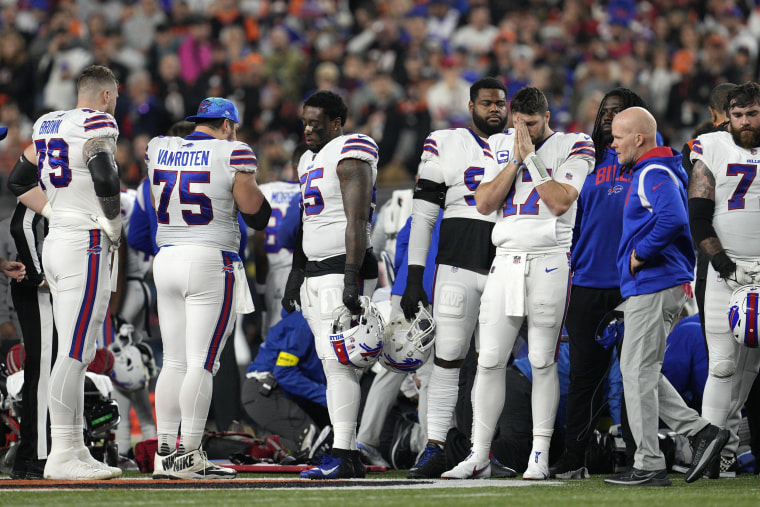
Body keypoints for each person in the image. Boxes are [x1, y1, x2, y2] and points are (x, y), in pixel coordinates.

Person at [444, 86, 594, 480]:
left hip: (548, 262)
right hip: (505, 261)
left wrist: (532, 160)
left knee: (543, 360)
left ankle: (539, 455)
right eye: (518, 124)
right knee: (489, 360)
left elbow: (560, 201)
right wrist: (514, 161)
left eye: (530, 125)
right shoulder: (500, 144)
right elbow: (484, 202)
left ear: (547, 118)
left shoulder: (573, 144)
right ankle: (478, 454)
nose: (522, 132)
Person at [8, 64, 123, 481]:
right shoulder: (97, 122)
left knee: (78, 350)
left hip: (59, 241)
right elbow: (105, 175)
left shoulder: (48, 123)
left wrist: (55, 211)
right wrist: (112, 222)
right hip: (85, 244)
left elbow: (18, 181)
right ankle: (61, 452)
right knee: (73, 352)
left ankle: (73, 448)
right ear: (107, 96)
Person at [604, 106, 728, 487]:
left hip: (654, 283)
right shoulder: (664, 168)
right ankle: (701, 433)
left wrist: (640, 255)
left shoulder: (651, 171)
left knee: (636, 372)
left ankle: (649, 462)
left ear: (639, 138)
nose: (613, 144)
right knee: (642, 370)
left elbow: (673, 217)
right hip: (665, 284)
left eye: (618, 136)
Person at [148, 97, 271, 480]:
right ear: (229, 125)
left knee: (173, 361)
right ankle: (189, 454)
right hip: (209, 260)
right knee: (202, 362)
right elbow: (257, 214)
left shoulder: (159, 147)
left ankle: (165, 452)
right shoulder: (233, 152)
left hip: (166, 256)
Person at [399, 77, 510, 479]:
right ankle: (436, 446)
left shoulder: (519, 142)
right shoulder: (444, 141)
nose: (494, 109)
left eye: (500, 103)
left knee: (492, 363)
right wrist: (415, 276)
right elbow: (424, 214)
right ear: (470, 105)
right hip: (456, 264)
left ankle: (481, 451)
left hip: (505, 266)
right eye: (487, 103)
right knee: (446, 360)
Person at [549, 88, 647, 479]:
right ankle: (576, 457)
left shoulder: (646, 161)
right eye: (605, 111)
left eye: (618, 111)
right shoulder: (584, 160)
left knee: (635, 373)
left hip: (633, 281)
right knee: (585, 374)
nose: (608, 116)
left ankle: (642, 455)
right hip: (587, 281)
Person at [281, 90, 379, 479]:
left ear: (337, 123)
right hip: (317, 271)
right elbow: (308, 221)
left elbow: (356, 219)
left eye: (315, 123)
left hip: (342, 268)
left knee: (339, 365)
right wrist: (296, 271)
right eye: (304, 122)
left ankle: (344, 452)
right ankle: (349, 452)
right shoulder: (307, 160)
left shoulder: (350, 150)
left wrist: (352, 278)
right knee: (335, 365)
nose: (307, 130)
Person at [688, 81, 760, 477]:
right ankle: (709, 453)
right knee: (722, 366)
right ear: (727, 116)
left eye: (752, 113)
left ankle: (729, 449)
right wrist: (723, 263)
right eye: (738, 114)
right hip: (723, 273)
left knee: (750, 369)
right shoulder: (711, 146)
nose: (745, 121)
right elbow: (698, 215)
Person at [7, 201, 54, 480]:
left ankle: (29, 457)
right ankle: (38, 455)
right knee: (44, 370)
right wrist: (38, 276)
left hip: (48, 281)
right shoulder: (43, 173)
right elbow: (20, 224)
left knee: (47, 369)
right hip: (42, 285)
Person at [241, 310, 329, 451]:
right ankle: (247, 442)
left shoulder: (311, 321)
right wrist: (327, 396)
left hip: (283, 392)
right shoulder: (305, 323)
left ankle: (263, 437)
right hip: (266, 391)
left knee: (336, 440)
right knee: (316, 448)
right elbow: (284, 372)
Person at [252, 145, 304, 338]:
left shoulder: (267, 190)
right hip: (311, 271)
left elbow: (259, 243)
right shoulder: (318, 190)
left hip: (277, 274)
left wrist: (261, 286)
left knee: (275, 337)